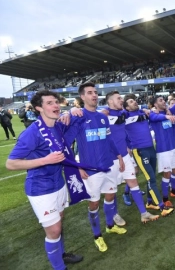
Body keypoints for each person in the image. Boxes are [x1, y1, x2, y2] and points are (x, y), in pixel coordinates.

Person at [6, 90, 83, 270]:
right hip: (40, 188)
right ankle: (59, 267)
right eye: (49, 103)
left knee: (60, 222)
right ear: (39, 108)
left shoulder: (57, 126)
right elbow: (11, 164)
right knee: (54, 230)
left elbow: (76, 122)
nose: (55, 105)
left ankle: (62, 254)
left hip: (59, 183)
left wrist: (71, 112)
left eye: (56, 102)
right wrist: (45, 160)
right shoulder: (32, 133)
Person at [63, 82, 127, 253]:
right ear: (82, 97)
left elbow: (109, 139)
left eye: (95, 92)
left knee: (111, 195)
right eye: (90, 92)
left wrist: (119, 156)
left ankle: (110, 225)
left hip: (108, 165)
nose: (94, 95)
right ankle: (97, 236)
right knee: (93, 203)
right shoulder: (77, 117)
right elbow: (66, 144)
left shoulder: (102, 117)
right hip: (90, 170)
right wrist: (76, 166)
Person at [102, 91, 159, 223]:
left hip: (125, 155)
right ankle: (114, 215)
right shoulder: (104, 115)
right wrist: (72, 111)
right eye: (118, 98)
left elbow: (134, 113)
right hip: (111, 158)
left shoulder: (123, 113)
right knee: (112, 190)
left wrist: (145, 110)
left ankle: (144, 213)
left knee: (133, 182)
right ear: (110, 101)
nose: (121, 100)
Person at [123, 94, 174, 217]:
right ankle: (162, 207)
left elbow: (156, 116)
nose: (134, 102)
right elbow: (118, 130)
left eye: (134, 100)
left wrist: (164, 114)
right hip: (140, 151)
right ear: (126, 107)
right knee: (151, 178)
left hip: (151, 148)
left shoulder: (142, 112)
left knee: (151, 177)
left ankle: (150, 202)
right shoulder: (125, 115)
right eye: (131, 102)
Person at [148, 80, 175, 208]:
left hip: (173, 147)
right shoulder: (154, 115)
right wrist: (165, 117)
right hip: (163, 150)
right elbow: (155, 118)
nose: (163, 101)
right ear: (155, 104)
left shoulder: (169, 111)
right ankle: (165, 198)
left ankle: (174, 191)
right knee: (167, 173)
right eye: (160, 100)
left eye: (163, 100)